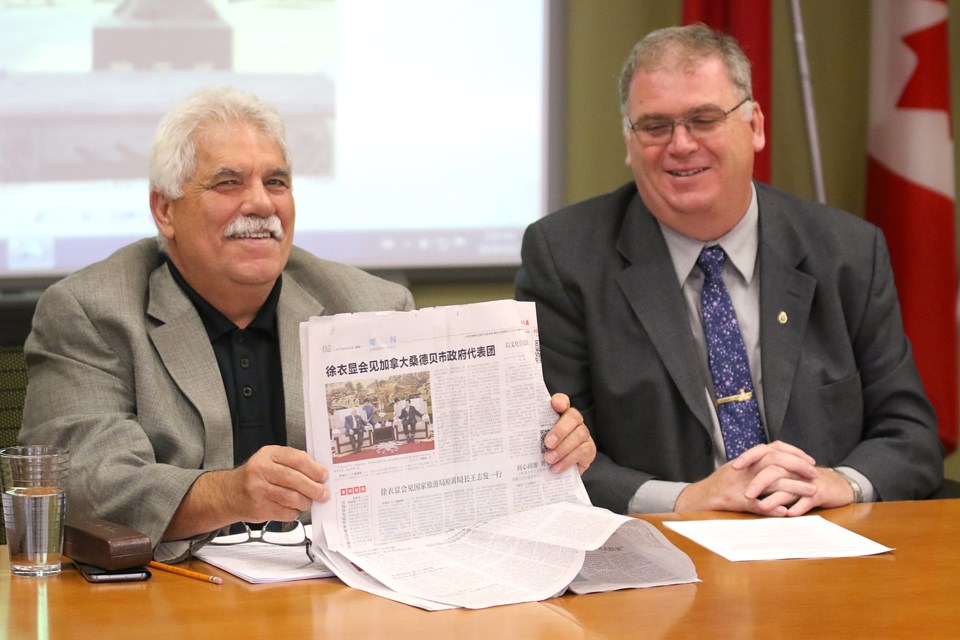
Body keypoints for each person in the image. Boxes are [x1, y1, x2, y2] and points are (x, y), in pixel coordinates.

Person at [20, 87, 596, 561]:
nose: (261, 204)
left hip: (338, 597)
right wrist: (229, 492)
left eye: (276, 182)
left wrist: (544, 452)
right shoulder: (92, 310)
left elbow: (448, 467)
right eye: (228, 183)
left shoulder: (370, 306)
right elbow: (85, 483)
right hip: (167, 599)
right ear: (164, 211)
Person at [515, 25, 944, 518]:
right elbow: (553, 452)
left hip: (826, 541)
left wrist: (837, 483)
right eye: (655, 126)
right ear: (629, 143)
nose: (680, 144)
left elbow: (910, 433)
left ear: (756, 126)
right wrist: (683, 499)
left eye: (704, 119)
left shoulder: (847, 251)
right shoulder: (565, 258)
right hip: (667, 558)